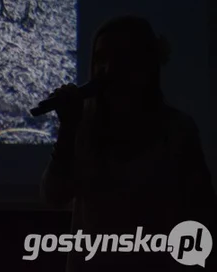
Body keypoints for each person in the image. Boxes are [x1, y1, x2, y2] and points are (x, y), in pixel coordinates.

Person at [40, 15, 216, 269]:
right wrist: (67, 128)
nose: (108, 69)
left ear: (146, 65)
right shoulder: (83, 127)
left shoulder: (177, 131)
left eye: (121, 58)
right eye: (100, 58)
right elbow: (54, 196)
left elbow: (203, 219)